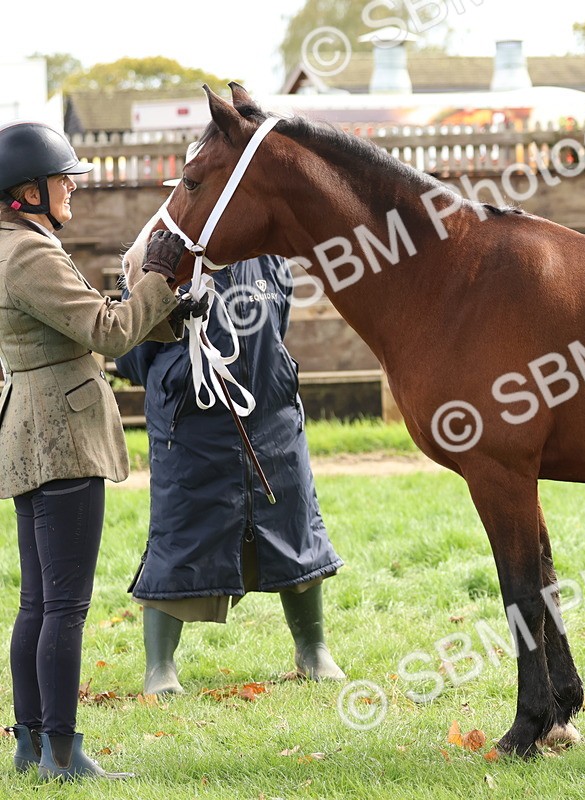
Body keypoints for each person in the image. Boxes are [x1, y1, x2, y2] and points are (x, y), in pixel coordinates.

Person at [0, 121, 197, 781]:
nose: (73, 189)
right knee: (63, 606)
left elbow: (81, 319)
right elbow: (105, 331)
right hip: (61, 434)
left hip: (34, 427)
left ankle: (31, 746)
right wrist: (161, 278)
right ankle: (61, 752)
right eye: (64, 180)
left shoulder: (17, 242)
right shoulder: (30, 253)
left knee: (37, 603)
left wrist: (164, 311)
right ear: (26, 190)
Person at [116, 249, 345, 697]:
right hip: (190, 421)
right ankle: (159, 666)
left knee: (294, 524)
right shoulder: (156, 252)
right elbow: (131, 357)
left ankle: (312, 649)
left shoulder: (268, 255)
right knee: (179, 532)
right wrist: (180, 373)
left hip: (271, 415)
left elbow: (276, 325)